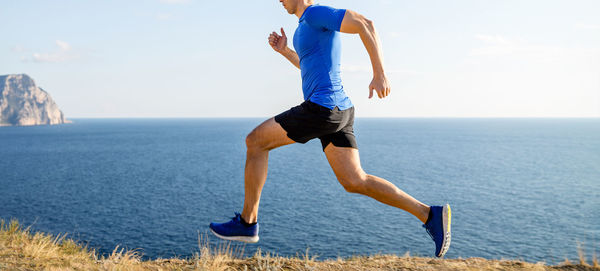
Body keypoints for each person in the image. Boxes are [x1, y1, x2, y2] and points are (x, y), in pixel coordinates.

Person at [209, 0, 452, 258]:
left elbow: (365, 24)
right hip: (339, 110)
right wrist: (285, 51)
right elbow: (310, 66)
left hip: (322, 109)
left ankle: (248, 223)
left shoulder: (315, 13)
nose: (278, 0)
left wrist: (379, 73)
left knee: (255, 142)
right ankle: (429, 214)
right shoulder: (305, 25)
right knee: (355, 180)